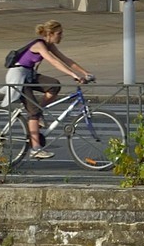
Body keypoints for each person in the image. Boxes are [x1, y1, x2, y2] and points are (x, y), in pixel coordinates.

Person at [7, 19, 92, 160]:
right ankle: (35, 149)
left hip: (29, 75)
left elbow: (66, 60)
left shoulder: (49, 45)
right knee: (33, 111)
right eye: (59, 33)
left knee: (54, 85)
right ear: (50, 34)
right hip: (18, 77)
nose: (61, 36)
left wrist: (86, 73)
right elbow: (54, 61)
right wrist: (73, 75)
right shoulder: (39, 45)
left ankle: (37, 112)